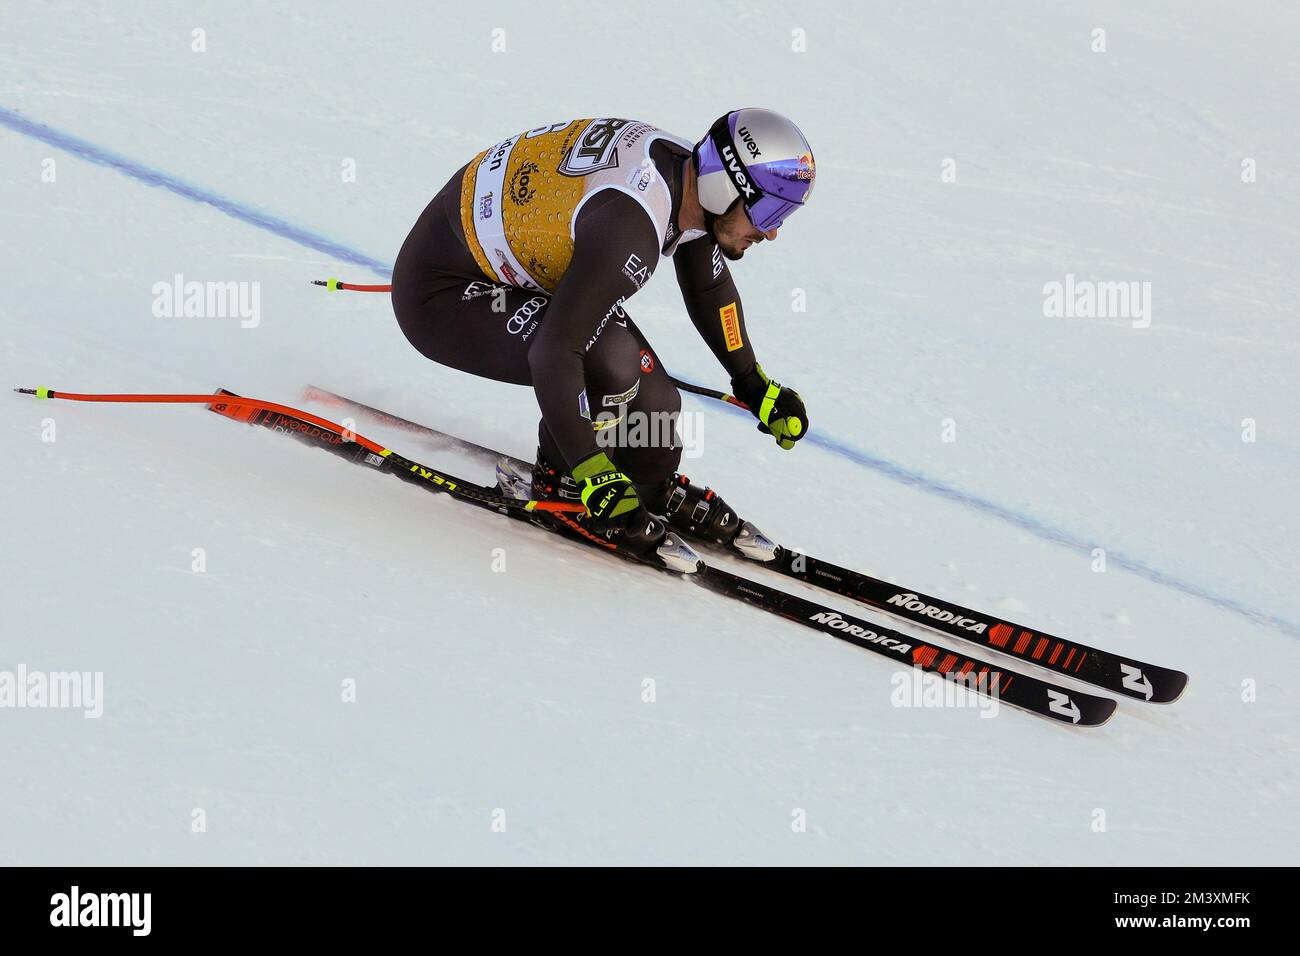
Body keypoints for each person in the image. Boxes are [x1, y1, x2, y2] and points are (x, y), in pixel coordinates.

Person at [391, 109, 815, 559]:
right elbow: (555, 353)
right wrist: (593, 470)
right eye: (769, 209)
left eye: (783, 213)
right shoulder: (630, 225)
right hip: (443, 292)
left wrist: (753, 382)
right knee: (610, 359)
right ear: (724, 187)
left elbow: (709, 286)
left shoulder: (691, 180)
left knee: (656, 413)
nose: (771, 232)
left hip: (506, 266)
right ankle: (562, 485)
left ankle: (650, 486)